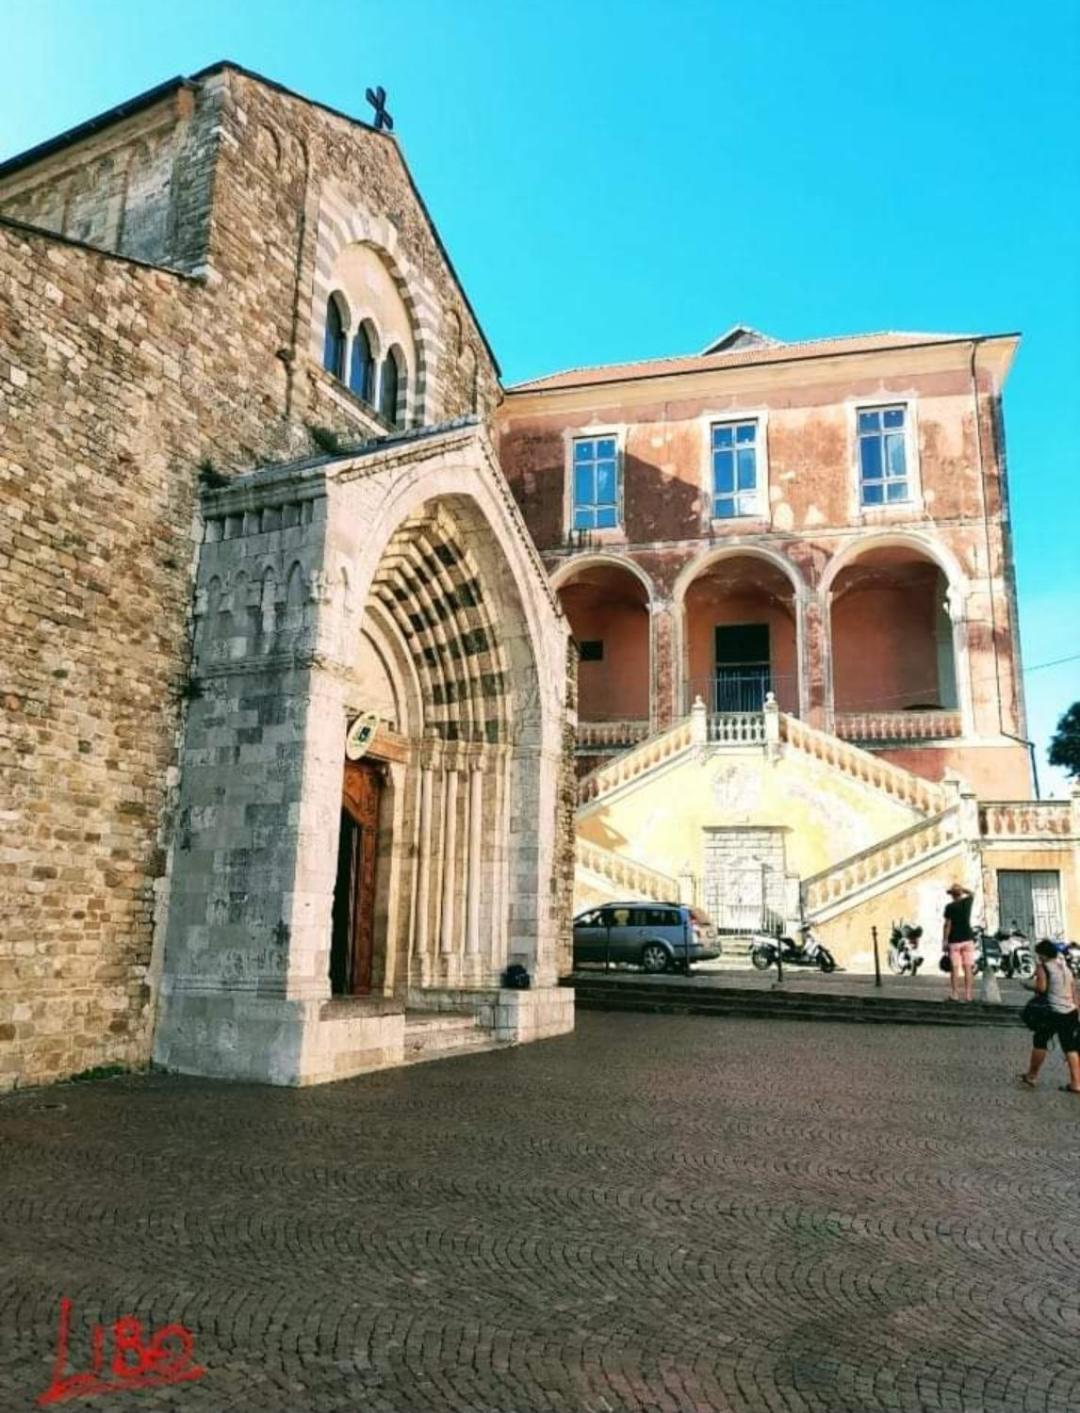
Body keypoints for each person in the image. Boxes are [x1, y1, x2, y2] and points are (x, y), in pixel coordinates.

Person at [1019, 939, 1080, 1093]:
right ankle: (1076, 1082)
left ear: (1042, 955)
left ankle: (1032, 1075)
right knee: (1070, 1047)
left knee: (1040, 1041)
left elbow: (1041, 988)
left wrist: (1027, 985)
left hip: (1052, 1011)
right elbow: (1073, 991)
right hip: (1070, 1011)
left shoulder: (1044, 967)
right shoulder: (1066, 968)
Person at [942, 883, 976, 1002]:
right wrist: (963, 889)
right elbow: (972, 893)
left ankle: (955, 993)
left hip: (954, 940)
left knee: (955, 969)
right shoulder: (967, 903)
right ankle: (968, 994)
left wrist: (945, 940)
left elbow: (947, 925)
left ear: (952, 895)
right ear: (960, 893)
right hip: (967, 938)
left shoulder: (949, 907)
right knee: (968, 968)